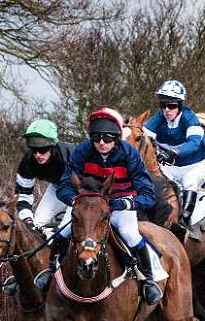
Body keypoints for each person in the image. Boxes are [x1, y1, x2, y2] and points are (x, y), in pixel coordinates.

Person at [34, 107, 162, 304]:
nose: (101, 142)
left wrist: (124, 203)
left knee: (130, 234)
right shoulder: (82, 151)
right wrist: (76, 201)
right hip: (86, 205)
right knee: (62, 232)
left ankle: (148, 281)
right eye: (96, 137)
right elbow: (64, 186)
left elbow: (148, 195)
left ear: (117, 137)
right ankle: (50, 271)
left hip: (118, 203)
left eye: (108, 138)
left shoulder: (129, 154)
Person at [143, 80, 205, 236]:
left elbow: (194, 144)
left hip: (192, 167)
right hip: (170, 167)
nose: (166, 110)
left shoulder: (189, 118)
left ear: (180, 105)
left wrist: (174, 152)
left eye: (171, 106)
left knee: (189, 183)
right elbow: (143, 136)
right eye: (163, 105)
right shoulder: (159, 118)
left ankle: (185, 222)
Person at [15, 119, 75, 235]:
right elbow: (23, 196)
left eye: (42, 149)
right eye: (34, 149)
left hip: (78, 192)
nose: (38, 154)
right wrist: (28, 222)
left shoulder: (69, 156)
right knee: (37, 224)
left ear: (53, 146)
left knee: (65, 230)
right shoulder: (28, 161)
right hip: (57, 187)